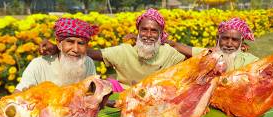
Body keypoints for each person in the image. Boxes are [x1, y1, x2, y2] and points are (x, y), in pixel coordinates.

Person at [40, 8, 186, 88]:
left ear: (161, 34)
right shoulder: (124, 51)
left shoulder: (169, 52)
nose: (148, 35)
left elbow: (201, 56)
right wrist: (59, 48)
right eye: (144, 30)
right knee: (106, 84)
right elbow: (92, 53)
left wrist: (175, 44)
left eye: (154, 31)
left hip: (157, 99)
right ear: (138, 31)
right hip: (125, 97)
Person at [15, 18, 98, 92]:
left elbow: (91, 95)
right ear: (58, 43)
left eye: (81, 43)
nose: (75, 49)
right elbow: (16, 97)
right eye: (70, 42)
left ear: (86, 46)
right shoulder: (39, 64)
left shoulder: (88, 62)